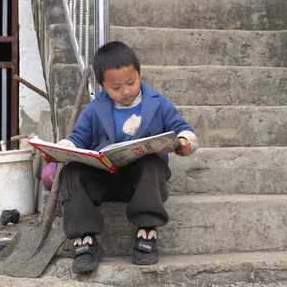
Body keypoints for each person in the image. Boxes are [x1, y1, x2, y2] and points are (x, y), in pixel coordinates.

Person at [46, 41, 198, 274]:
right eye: (116, 88)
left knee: (152, 163)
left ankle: (146, 230)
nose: (126, 91)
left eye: (131, 82)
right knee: (72, 171)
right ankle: (84, 240)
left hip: (139, 184)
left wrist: (185, 142)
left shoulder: (157, 103)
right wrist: (63, 149)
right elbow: (76, 138)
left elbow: (182, 128)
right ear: (103, 86)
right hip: (103, 181)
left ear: (139, 74)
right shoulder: (95, 109)